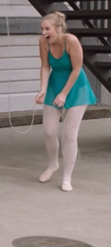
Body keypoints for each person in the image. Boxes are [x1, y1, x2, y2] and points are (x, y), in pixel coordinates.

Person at [35, 11, 96, 192]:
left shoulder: (71, 41)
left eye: (47, 28)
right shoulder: (43, 42)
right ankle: (53, 164)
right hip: (55, 84)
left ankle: (67, 177)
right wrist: (43, 89)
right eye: (42, 29)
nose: (43, 32)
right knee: (49, 130)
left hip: (76, 87)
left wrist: (64, 93)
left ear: (59, 28)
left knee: (70, 135)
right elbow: (45, 67)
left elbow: (77, 69)